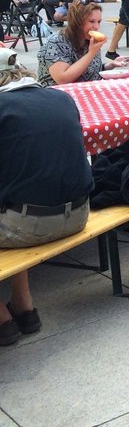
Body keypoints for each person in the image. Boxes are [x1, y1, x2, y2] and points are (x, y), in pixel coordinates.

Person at [0, 49, 94, 346]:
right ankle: (24, 306)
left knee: (16, 205)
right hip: (79, 214)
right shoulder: (60, 97)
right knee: (19, 197)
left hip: (28, 225)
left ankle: (3, 321)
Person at [36, 2, 129, 86]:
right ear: (77, 22)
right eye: (91, 21)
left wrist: (111, 64)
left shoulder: (89, 39)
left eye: (99, 22)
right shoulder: (56, 42)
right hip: (58, 97)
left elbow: (89, 70)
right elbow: (62, 79)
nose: (96, 27)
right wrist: (91, 53)